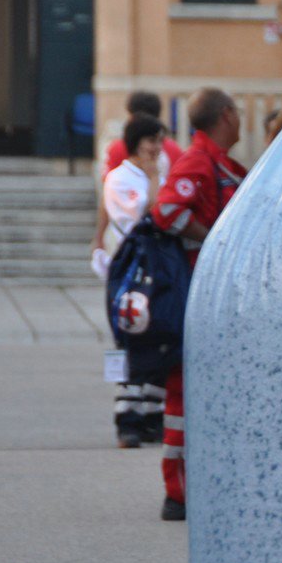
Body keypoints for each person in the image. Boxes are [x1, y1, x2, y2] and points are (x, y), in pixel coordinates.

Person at [150, 88, 248, 521]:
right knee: (183, 394)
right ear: (225, 115)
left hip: (216, 298)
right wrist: (214, 241)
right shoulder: (197, 160)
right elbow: (167, 212)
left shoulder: (222, 163)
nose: (241, 119)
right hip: (195, 297)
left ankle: (206, 482)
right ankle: (178, 492)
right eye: (237, 113)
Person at [104, 115, 167, 449]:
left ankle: (151, 416)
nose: (156, 149)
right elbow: (151, 215)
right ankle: (127, 419)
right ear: (135, 142)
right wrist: (156, 179)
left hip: (157, 269)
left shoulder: (151, 174)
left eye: (159, 141)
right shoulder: (121, 179)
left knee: (158, 337)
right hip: (131, 272)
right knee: (131, 339)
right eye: (150, 141)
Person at [90, 91, 182, 259]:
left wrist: (99, 235)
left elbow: (106, 197)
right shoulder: (173, 149)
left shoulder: (118, 147)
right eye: (153, 141)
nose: (157, 148)